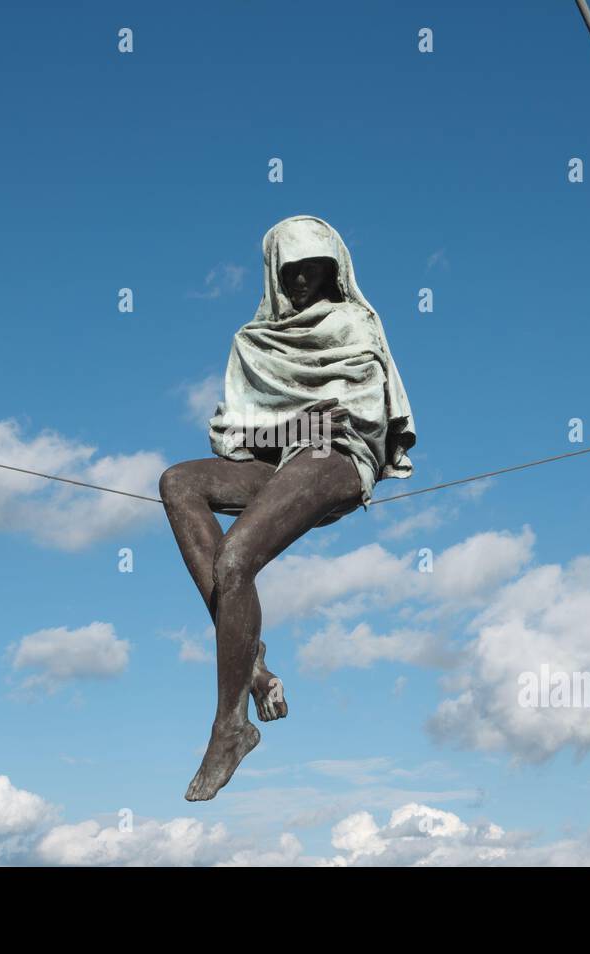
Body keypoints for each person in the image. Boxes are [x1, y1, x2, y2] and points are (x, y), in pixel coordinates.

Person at [160, 214, 416, 800]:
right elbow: (234, 432)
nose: (301, 281)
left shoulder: (354, 321)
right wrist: (285, 429)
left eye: (313, 269)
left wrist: (288, 429)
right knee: (178, 482)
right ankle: (252, 663)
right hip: (280, 465)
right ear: (275, 275)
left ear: (334, 269)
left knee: (234, 560)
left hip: (334, 459)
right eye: (290, 271)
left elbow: (357, 417)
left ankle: (229, 729)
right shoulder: (254, 340)